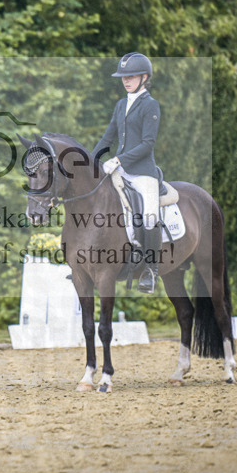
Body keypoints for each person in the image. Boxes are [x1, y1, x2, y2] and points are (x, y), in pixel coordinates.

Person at [93, 52, 162, 294]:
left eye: (131, 76)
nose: (126, 80)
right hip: (119, 171)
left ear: (144, 77)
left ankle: (151, 270)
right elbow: (108, 137)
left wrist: (119, 159)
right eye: (123, 77)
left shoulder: (150, 105)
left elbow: (147, 144)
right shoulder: (121, 104)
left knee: (150, 215)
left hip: (143, 172)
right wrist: (91, 162)